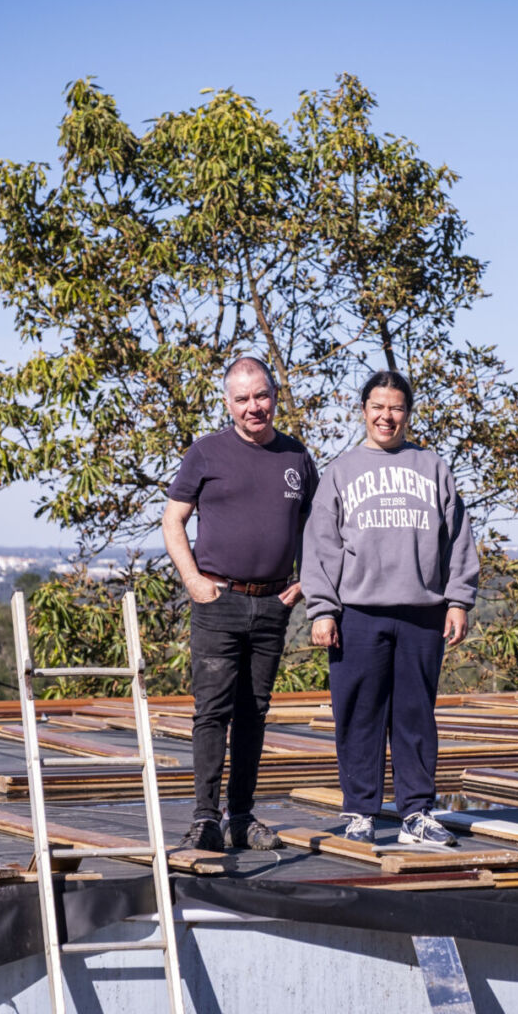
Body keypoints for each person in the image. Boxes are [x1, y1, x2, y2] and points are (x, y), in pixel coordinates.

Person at [301, 370, 478, 846]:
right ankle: (360, 813)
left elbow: (457, 538)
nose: (387, 416)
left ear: (408, 413)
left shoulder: (433, 467)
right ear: (364, 411)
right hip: (358, 613)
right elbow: (320, 546)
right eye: (378, 406)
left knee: (416, 717)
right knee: (358, 715)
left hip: (423, 611)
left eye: (396, 407)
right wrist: (322, 609)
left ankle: (417, 814)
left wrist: (458, 599)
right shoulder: (341, 471)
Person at [162, 356, 318, 851]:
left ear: (274, 395)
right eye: (243, 399)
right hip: (219, 600)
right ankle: (205, 820)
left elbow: (318, 528)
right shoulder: (206, 453)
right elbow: (173, 520)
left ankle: (242, 817)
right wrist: (192, 579)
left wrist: (307, 580)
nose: (255, 407)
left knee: (254, 713)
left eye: (262, 395)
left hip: (273, 604)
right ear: (228, 403)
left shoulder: (296, 456)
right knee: (212, 712)